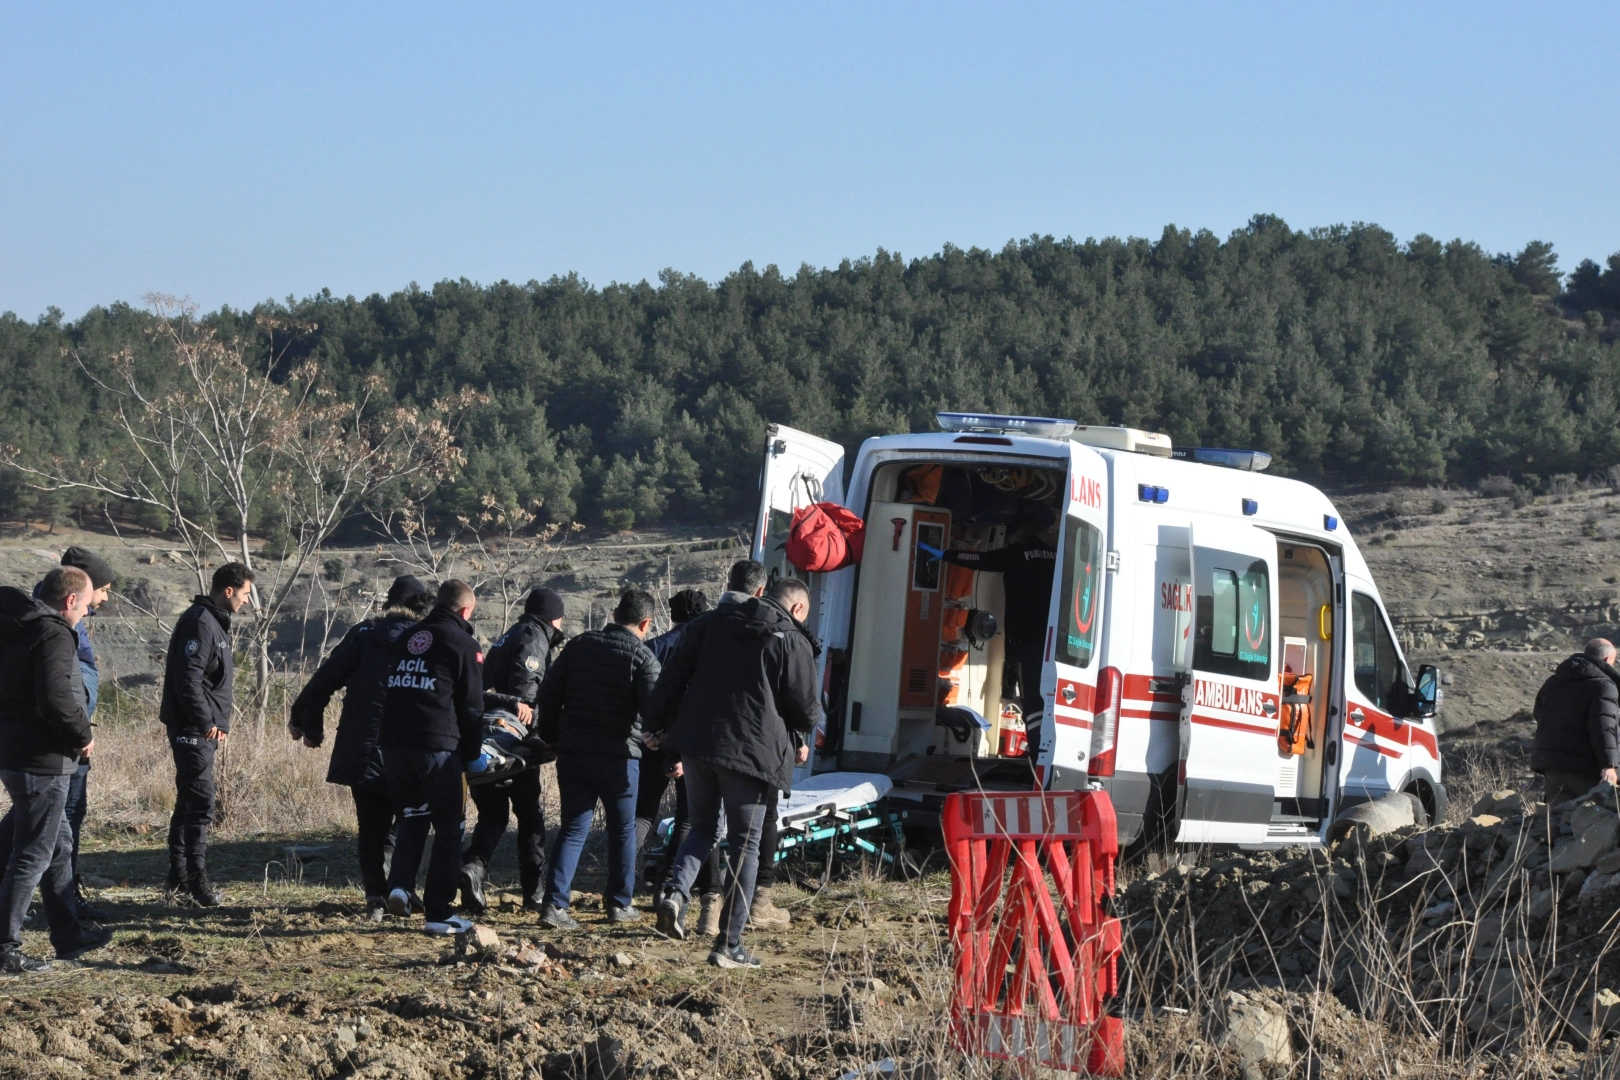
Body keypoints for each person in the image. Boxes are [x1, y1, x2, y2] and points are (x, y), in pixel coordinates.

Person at [647, 576, 821, 969]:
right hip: (751, 754)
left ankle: (676, 894)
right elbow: (807, 708)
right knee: (746, 846)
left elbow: (672, 675)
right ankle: (729, 944)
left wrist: (656, 725)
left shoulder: (708, 623)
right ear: (795, 609)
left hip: (697, 744)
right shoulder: (789, 639)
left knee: (703, 827)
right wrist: (795, 733)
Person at [289, 575, 432, 921]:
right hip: (410, 746)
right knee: (411, 818)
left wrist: (308, 725)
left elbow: (324, 680)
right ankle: (400, 887)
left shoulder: (363, 634)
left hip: (362, 746)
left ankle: (374, 898)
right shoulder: (425, 639)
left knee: (371, 825)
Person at [0, 566, 110, 973]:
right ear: (69, 601)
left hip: (15, 751)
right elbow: (57, 697)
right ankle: (6, 948)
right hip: (43, 759)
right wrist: (83, 735)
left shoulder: (16, 628)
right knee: (32, 854)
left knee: (59, 844)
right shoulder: (53, 633)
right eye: (85, 606)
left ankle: (68, 935)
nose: (85, 614)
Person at [534, 589, 661, 930]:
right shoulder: (643, 657)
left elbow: (548, 693)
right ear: (645, 623)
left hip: (574, 753)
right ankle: (619, 903)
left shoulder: (578, 646)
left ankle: (554, 906)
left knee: (573, 829)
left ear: (615, 614)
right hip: (620, 758)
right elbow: (655, 710)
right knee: (623, 831)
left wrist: (552, 738)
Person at [378, 579, 485, 936]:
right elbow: (471, 708)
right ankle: (439, 912)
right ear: (466, 610)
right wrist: (472, 756)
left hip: (393, 746)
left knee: (411, 814)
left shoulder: (407, 638)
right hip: (437, 748)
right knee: (450, 826)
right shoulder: (463, 643)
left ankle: (399, 888)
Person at [459, 586, 567, 915]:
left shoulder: (510, 635)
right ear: (554, 618)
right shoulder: (534, 639)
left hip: (484, 734)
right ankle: (534, 894)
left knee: (492, 815)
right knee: (530, 817)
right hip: (513, 740)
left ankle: (473, 869)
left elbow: (483, 690)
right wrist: (540, 739)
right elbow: (527, 699)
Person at [160, 562, 255, 907]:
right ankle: (196, 881)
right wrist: (205, 722)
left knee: (189, 800)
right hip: (192, 729)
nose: (247, 601)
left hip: (203, 730)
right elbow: (188, 679)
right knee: (200, 802)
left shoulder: (214, 622)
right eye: (245, 594)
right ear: (228, 591)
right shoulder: (201, 623)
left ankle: (179, 877)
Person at [633, 588, 724, 929]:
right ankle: (668, 888)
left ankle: (621, 886)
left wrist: (649, 733)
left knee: (642, 813)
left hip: (650, 741)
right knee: (691, 820)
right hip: (690, 745)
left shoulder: (652, 646)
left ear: (671, 615)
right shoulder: (707, 649)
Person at [941, 510, 1058, 753]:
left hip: (1026, 639)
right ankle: (1046, 746)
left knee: (1032, 698)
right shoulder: (1054, 556)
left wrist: (945, 554)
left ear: (1018, 534)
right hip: (1054, 640)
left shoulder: (1016, 554)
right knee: (1049, 697)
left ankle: (1038, 751)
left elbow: (980, 561)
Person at [1532, 637, 1620, 806]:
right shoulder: (1603, 685)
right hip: (1586, 769)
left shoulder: (1553, 682)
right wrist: (1609, 765)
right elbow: (1604, 727)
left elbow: (1538, 715)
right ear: (1607, 659)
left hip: (1552, 767)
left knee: (1558, 824)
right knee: (1595, 820)